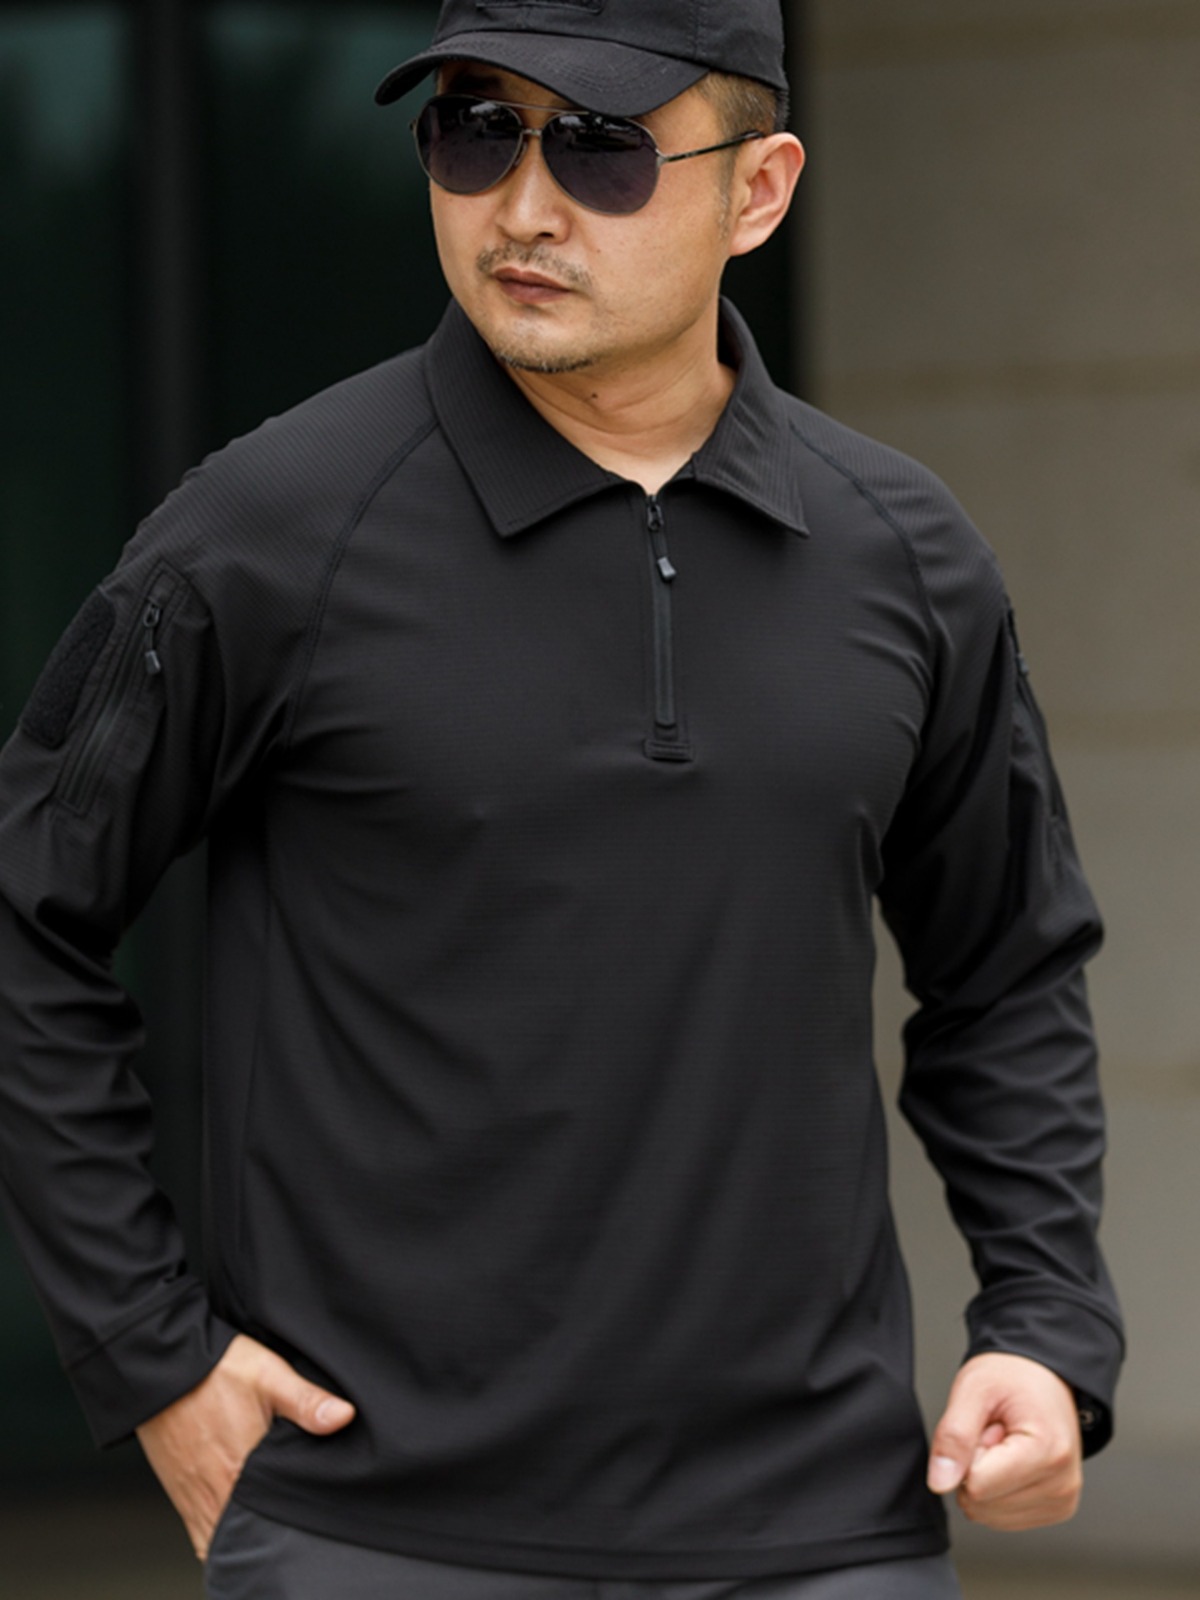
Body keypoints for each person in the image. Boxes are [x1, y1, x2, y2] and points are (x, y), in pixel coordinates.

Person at [0, 1, 1123, 1596]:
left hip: (821, 1537)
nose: (521, 207)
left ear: (759, 191)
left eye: (601, 149)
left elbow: (1006, 969)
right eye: (477, 132)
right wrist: (151, 1356)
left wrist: (1046, 1323)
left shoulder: (908, 555)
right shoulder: (263, 534)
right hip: (379, 1537)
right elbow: (25, 916)